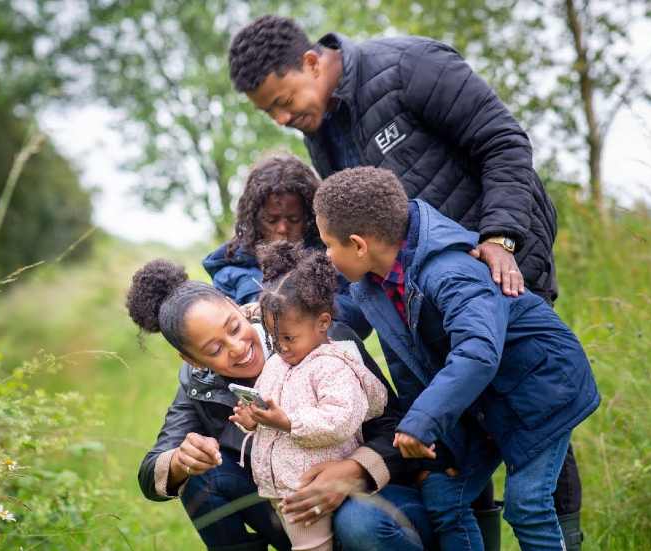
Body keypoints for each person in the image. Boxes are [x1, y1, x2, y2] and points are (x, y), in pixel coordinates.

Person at [228, 17, 584, 548]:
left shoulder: (407, 67)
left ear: (309, 62)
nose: (282, 118)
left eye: (283, 100)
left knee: (523, 407)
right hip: (409, 298)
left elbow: (503, 143)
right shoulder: (321, 130)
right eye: (268, 112)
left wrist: (501, 237)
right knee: (458, 430)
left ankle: (563, 535)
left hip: (497, 270)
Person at [313, 166, 600, 550]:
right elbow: (406, 361)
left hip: (541, 389)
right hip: (479, 400)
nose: (328, 257)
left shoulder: (449, 269)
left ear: (359, 244)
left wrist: (422, 421)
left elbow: (478, 351)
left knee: (527, 505)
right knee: (445, 496)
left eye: (328, 245)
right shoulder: (374, 283)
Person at [127, 259, 436, 551]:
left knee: (358, 523)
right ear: (193, 360)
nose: (237, 348)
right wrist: (181, 460)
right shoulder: (198, 385)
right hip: (294, 511)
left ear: (236, 307)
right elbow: (149, 473)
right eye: (215, 348)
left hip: (378, 498)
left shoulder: (317, 335)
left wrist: (353, 471)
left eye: (234, 327)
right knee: (200, 480)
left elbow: (394, 425)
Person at [228, 242, 388, 551]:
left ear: (323, 323)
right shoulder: (277, 364)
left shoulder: (331, 365)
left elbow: (339, 419)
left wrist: (288, 422)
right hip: (283, 482)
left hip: (313, 482)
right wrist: (253, 419)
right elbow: (269, 407)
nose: (281, 346)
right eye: (274, 338)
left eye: (289, 338)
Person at [202, 153, 369, 337]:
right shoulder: (231, 268)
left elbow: (361, 316)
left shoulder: (331, 255)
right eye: (271, 220)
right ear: (254, 219)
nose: (282, 228)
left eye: (293, 219)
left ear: (309, 217)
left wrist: (303, 304)